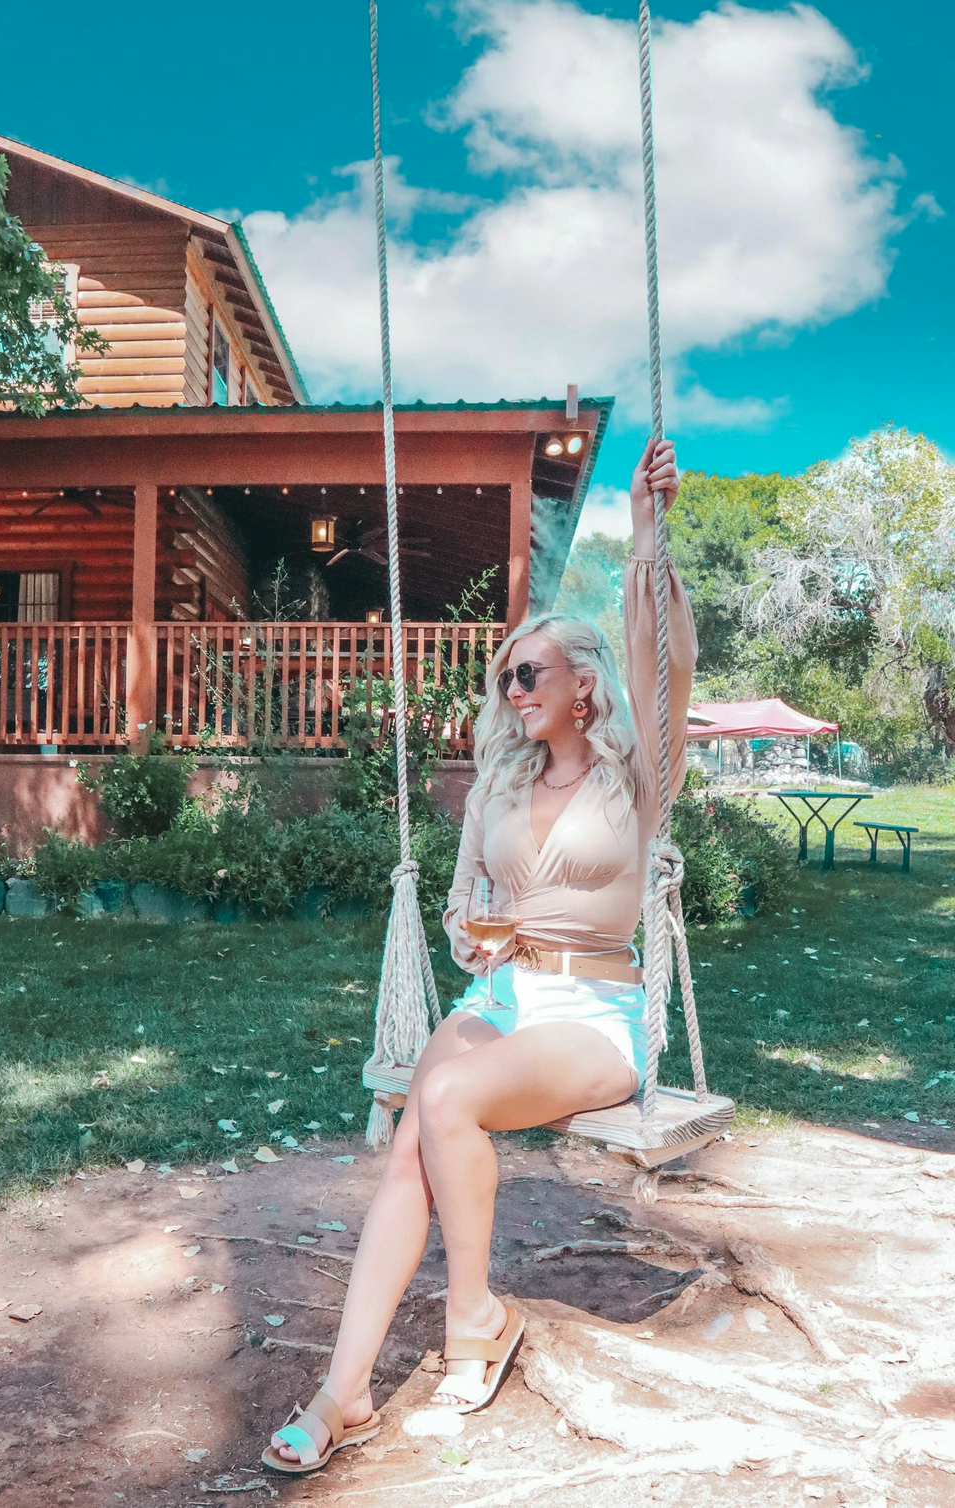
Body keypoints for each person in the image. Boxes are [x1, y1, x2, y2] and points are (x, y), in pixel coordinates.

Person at [263, 437, 697, 1474]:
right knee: (419, 1121)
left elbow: (667, 672)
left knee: (446, 1101)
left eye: (529, 672)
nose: (511, 689)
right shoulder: (500, 786)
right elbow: (465, 905)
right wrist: (470, 933)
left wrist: (647, 539)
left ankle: (474, 1323)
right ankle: (345, 1388)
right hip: (500, 995)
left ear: (582, 684)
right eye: (505, 675)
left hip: (592, 1015)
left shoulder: (637, 782)